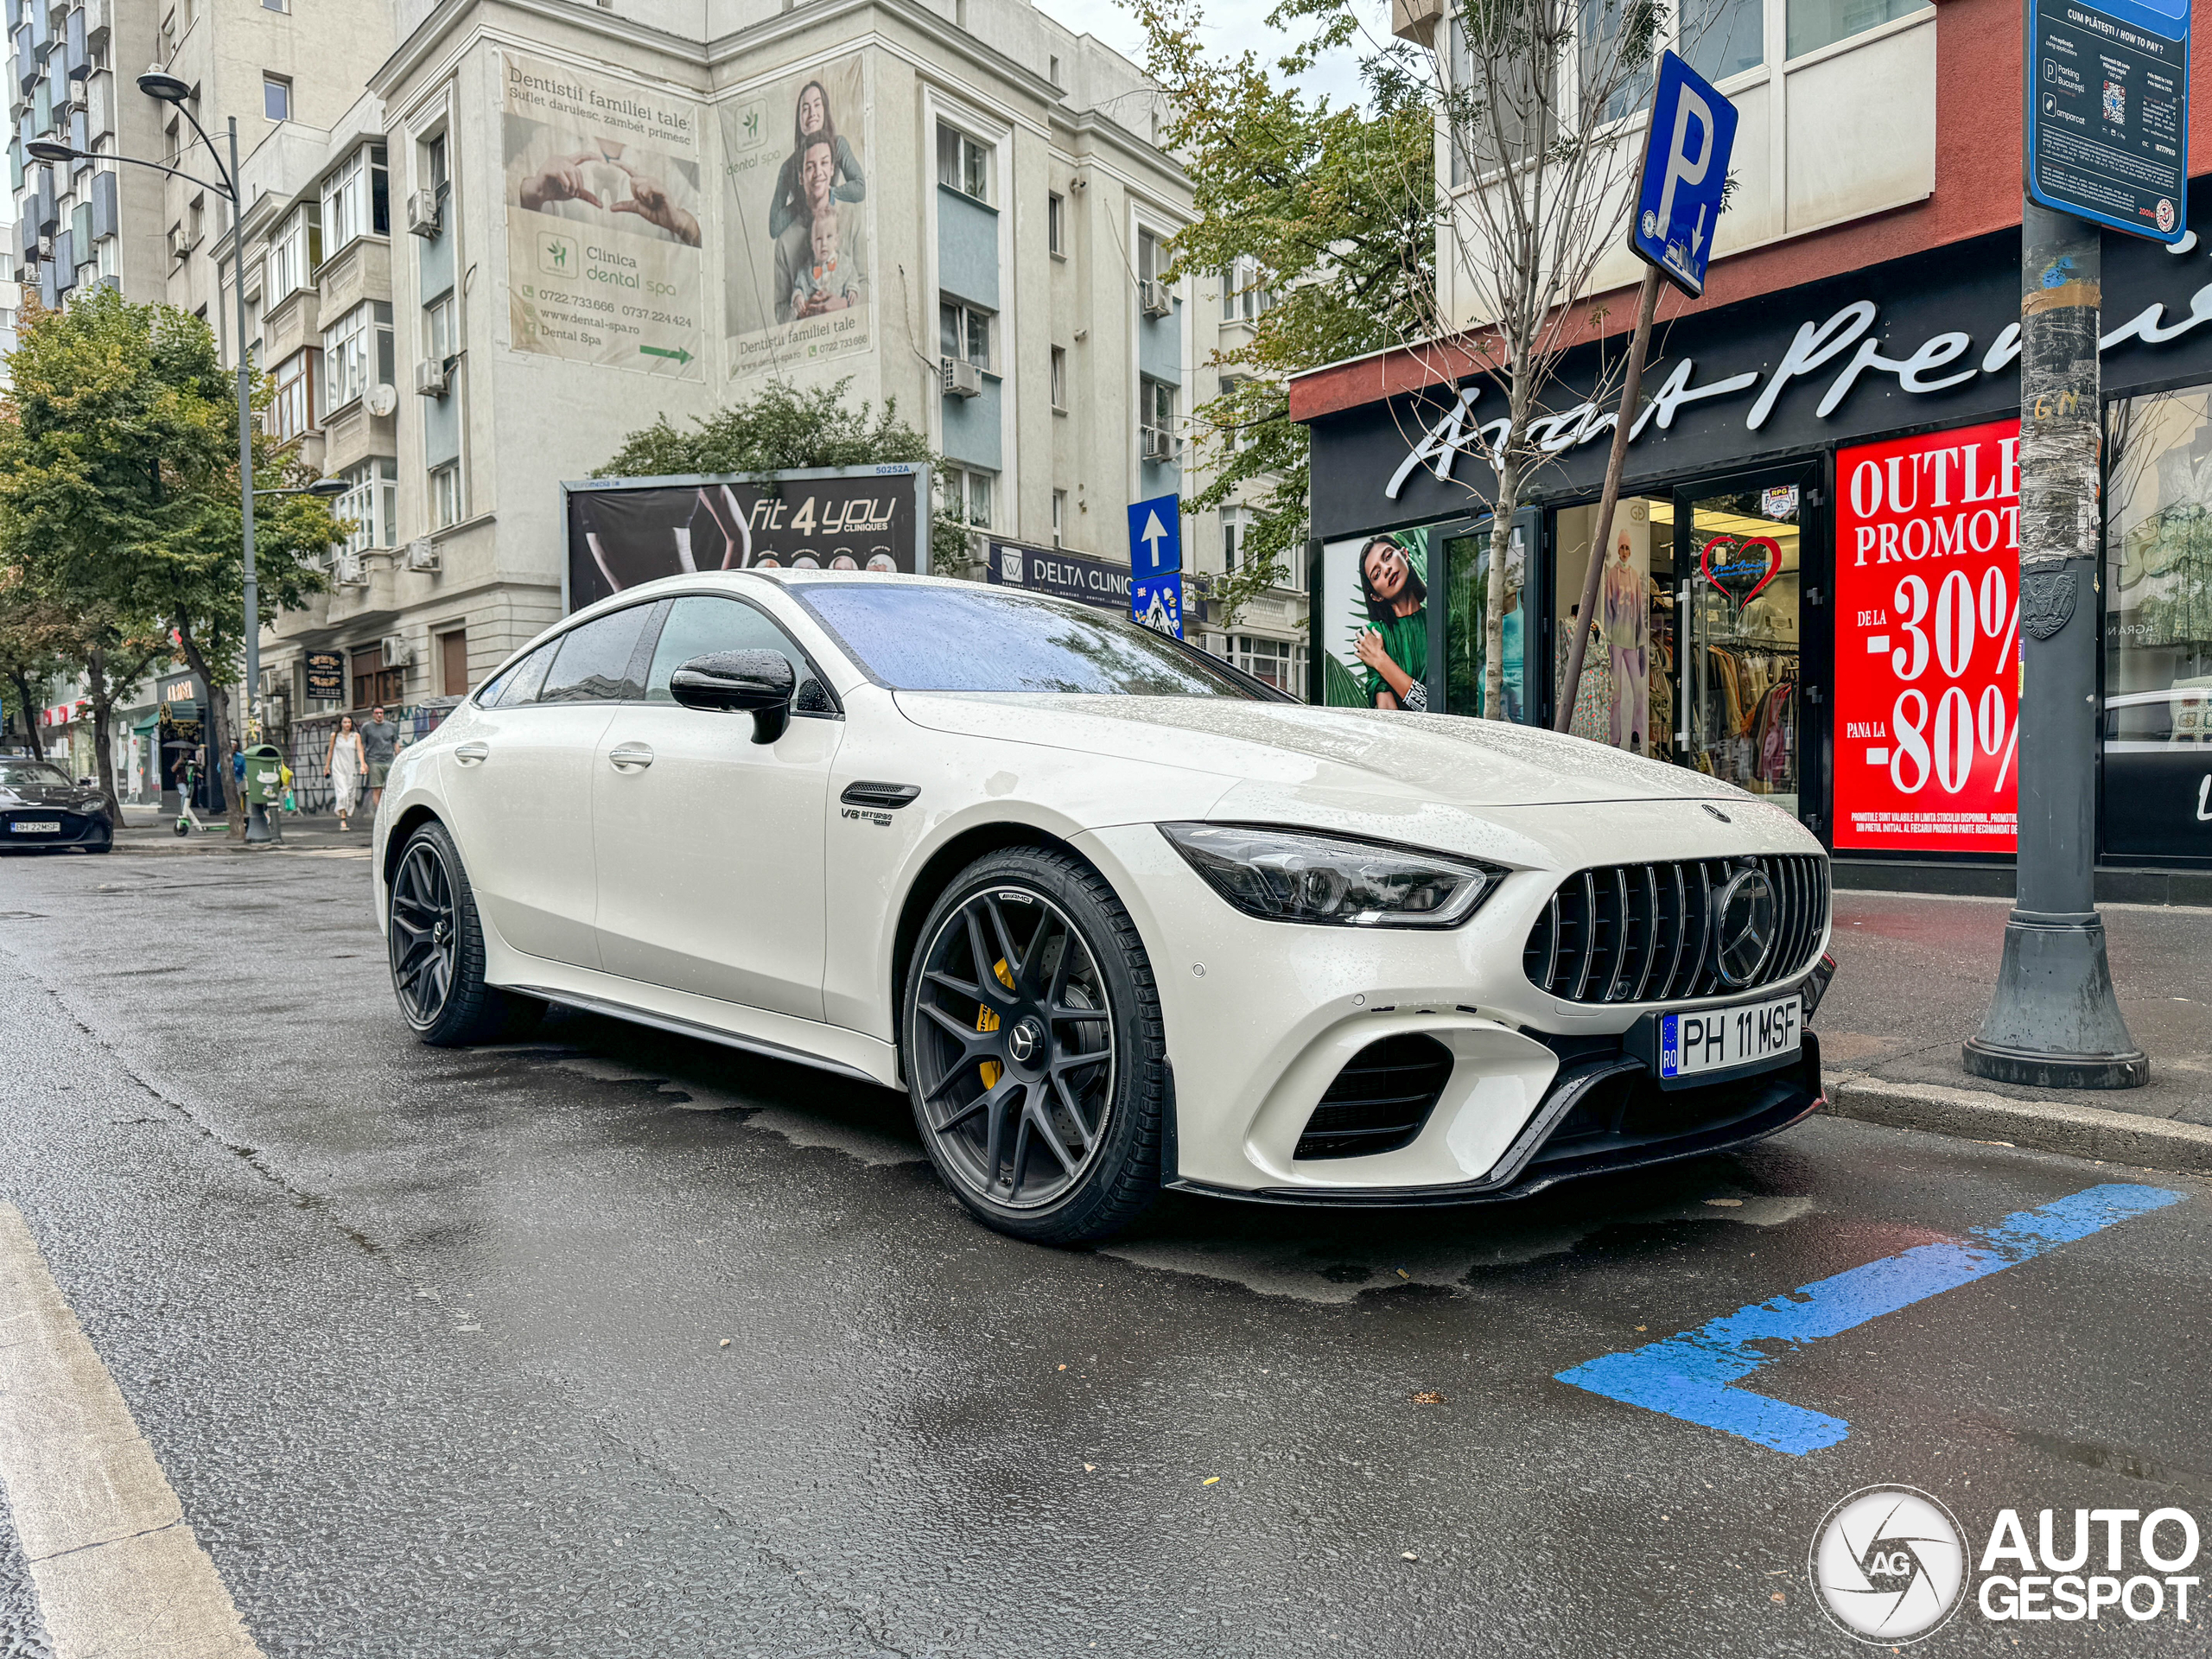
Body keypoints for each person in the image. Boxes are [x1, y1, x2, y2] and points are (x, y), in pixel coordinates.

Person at [773, 138, 864, 323]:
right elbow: (780, 310)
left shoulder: (854, 220)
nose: (818, 173)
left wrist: (844, 304)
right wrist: (802, 308)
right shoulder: (785, 243)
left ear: (832, 169)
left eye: (824, 163)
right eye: (809, 167)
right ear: (801, 177)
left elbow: (867, 284)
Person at [767, 79, 865, 241]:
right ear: (799, 119)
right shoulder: (788, 167)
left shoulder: (838, 145)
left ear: (825, 110)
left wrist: (828, 193)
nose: (812, 113)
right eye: (805, 109)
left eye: (817, 105)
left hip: (832, 231)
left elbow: (860, 188)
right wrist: (804, 201)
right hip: (803, 238)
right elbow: (774, 227)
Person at [1351, 535, 1427, 711]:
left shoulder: (1445, 620)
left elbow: (1442, 708)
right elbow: (1389, 716)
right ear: (1376, 596)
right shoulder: (1374, 636)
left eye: (1388, 557)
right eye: (1376, 574)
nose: (1386, 569)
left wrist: (1381, 660)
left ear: (1405, 555)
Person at [1602, 531, 1649, 752]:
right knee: (1617, 694)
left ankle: (1636, 737)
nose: (1624, 552)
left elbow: (1640, 611)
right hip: (1615, 642)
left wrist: (1642, 644)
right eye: (1622, 548)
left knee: (1639, 692)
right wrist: (1608, 642)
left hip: (1631, 641)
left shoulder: (1635, 575)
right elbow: (1608, 610)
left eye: (1627, 548)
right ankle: (1614, 740)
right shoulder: (1612, 574)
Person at [326, 715, 367, 832]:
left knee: (350, 794)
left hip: (350, 768)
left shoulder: (355, 736)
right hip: (338, 768)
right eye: (345, 722)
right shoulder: (335, 736)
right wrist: (327, 767)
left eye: (349, 722)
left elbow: (360, 750)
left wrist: (363, 764)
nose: (347, 724)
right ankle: (342, 819)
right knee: (342, 793)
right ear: (341, 724)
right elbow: (330, 751)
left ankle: (344, 813)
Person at [359, 705, 401, 813]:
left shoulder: (391, 726)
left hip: (389, 760)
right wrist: (363, 763)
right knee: (377, 789)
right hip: (374, 761)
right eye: (377, 713)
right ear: (373, 714)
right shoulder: (367, 727)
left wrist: (399, 758)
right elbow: (362, 746)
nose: (379, 715)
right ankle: (380, 814)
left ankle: (390, 812)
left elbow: (395, 743)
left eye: (381, 713)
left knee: (390, 787)